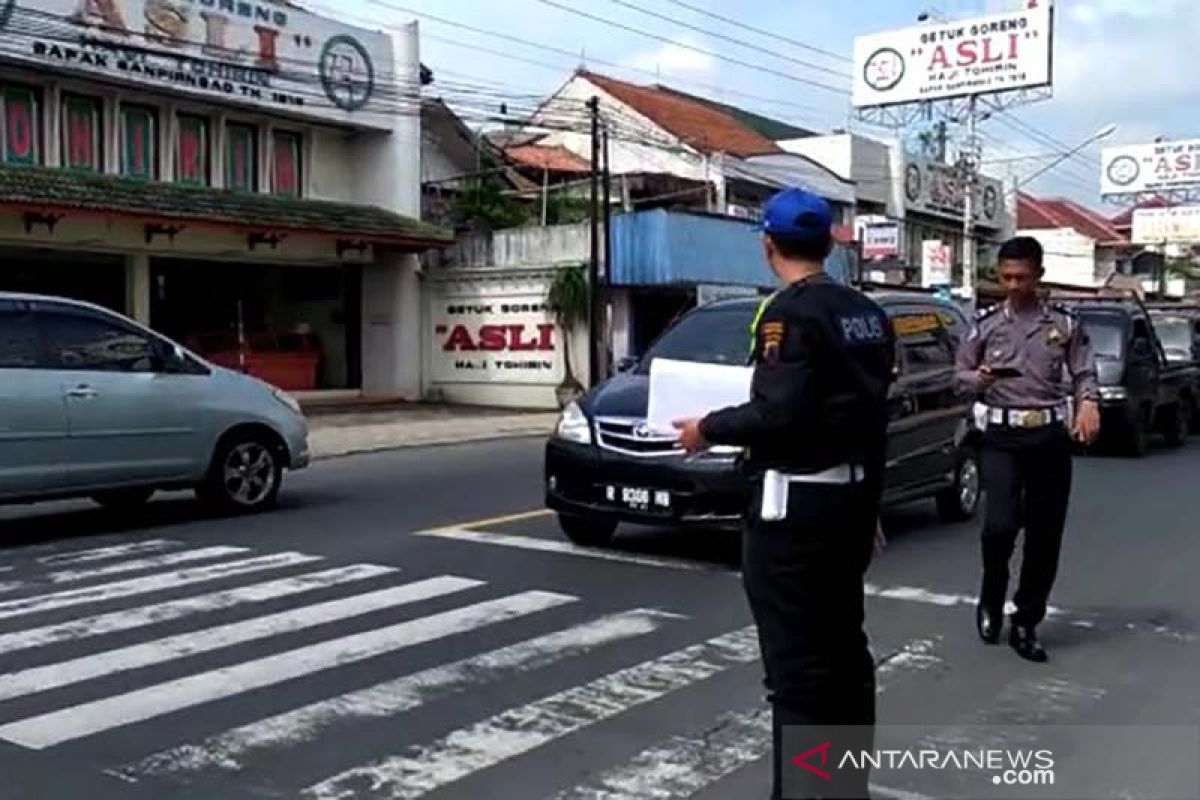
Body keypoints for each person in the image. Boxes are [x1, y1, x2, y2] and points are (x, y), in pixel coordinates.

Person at [673, 187, 895, 799]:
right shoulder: (867, 314)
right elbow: (875, 419)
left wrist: (705, 429)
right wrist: (870, 503)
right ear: (829, 243)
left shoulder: (786, 314)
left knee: (799, 674)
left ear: (768, 245)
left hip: (792, 514)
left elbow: (777, 414)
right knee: (846, 658)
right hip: (847, 507)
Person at [955, 236, 1100, 663]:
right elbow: (958, 375)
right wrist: (977, 379)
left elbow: (1083, 370)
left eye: (1022, 277)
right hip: (1001, 439)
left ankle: (1026, 620)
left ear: (1039, 276)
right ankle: (991, 596)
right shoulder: (984, 325)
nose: (1013, 285)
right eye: (1006, 278)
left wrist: (1088, 403)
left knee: (1044, 534)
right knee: (998, 527)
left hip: (1049, 440)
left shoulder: (1064, 324)